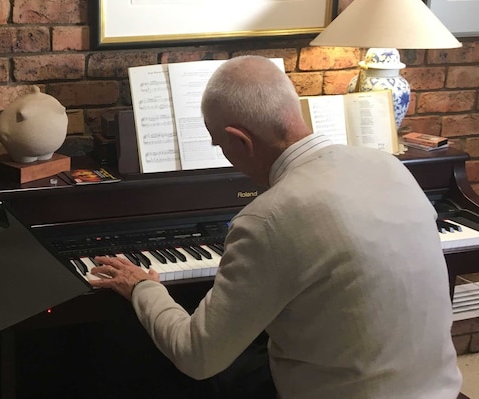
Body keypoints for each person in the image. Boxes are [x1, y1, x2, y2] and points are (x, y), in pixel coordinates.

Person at [89, 55, 463, 399]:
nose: (225, 156)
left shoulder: (266, 218)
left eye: (220, 146)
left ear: (240, 140)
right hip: (436, 387)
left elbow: (196, 356)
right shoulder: (387, 165)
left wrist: (142, 288)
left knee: (168, 361)